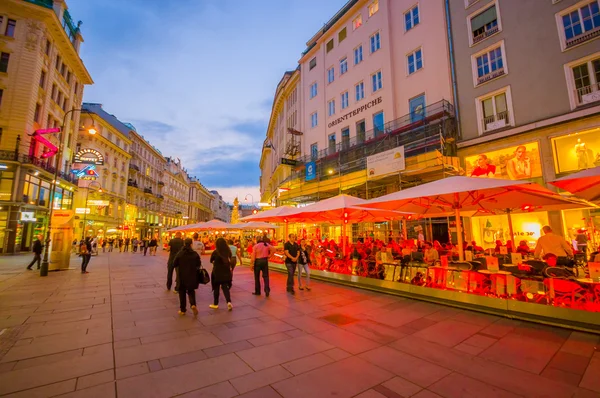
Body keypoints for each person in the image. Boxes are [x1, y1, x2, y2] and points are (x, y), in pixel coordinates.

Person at [173, 238, 200, 316]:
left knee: (182, 292)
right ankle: (193, 304)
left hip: (182, 276)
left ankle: (183, 310)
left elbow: (174, 263)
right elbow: (198, 264)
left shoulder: (180, 253)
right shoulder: (194, 254)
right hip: (192, 276)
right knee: (191, 291)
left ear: (184, 244)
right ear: (191, 244)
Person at [209, 238, 233, 310]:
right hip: (226, 271)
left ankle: (215, 304)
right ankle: (228, 302)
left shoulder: (216, 252)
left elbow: (211, 260)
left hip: (217, 272)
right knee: (225, 287)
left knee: (216, 287)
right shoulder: (228, 251)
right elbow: (230, 258)